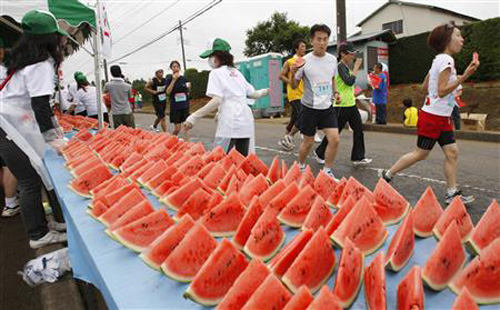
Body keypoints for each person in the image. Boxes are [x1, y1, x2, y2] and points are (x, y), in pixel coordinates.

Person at [379, 21, 480, 205]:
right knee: (420, 154)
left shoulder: (438, 59)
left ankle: (452, 193)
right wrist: (465, 76)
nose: (462, 39)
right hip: (433, 117)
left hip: (441, 116)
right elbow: (441, 91)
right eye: (458, 35)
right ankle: (387, 174)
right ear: (447, 40)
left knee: (452, 152)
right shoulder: (446, 60)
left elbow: (427, 86)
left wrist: (453, 83)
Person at [0, 10, 67, 248]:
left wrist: (52, 129)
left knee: (32, 178)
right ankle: (38, 235)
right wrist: (53, 137)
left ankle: (50, 224)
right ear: (49, 38)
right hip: (12, 130)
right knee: (29, 182)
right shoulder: (40, 64)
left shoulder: (22, 61)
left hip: (9, 127)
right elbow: (40, 104)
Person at [183, 38, 269, 156]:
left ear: (217, 58)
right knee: (242, 162)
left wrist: (193, 117)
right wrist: (267, 90)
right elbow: (255, 94)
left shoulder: (215, 73)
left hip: (229, 121)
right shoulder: (237, 73)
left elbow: (217, 99)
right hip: (245, 121)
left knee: (219, 160)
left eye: (210, 57)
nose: (209, 60)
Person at [289, 24, 340, 179]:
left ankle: (327, 171)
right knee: (308, 143)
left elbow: (332, 79)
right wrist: (292, 74)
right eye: (318, 39)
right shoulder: (304, 61)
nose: (322, 43)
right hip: (309, 108)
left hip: (327, 107)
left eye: (325, 39)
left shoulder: (332, 60)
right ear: (312, 40)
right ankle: (301, 166)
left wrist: (336, 92)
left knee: (335, 139)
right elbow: (294, 85)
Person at [314, 41, 372, 167]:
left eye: (353, 54)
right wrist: (356, 68)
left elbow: (349, 86)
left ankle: (358, 157)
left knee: (358, 130)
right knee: (335, 132)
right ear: (343, 54)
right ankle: (320, 152)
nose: (353, 56)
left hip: (350, 104)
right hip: (341, 106)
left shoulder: (345, 67)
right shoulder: (339, 66)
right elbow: (349, 82)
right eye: (350, 54)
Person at [278, 39, 307, 151]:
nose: (304, 49)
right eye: (302, 46)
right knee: (302, 115)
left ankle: (286, 138)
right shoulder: (289, 62)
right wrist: (290, 81)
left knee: (294, 117)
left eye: (305, 46)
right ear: (296, 49)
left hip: (304, 93)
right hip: (294, 93)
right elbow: (281, 75)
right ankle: (288, 138)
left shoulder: (306, 61)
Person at [166, 60, 191, 137]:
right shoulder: (169, 79)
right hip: (175, 107)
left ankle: (187, 144)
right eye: (174, 67)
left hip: (184, 105)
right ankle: (170, 141)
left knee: (186, 127)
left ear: (179, 68)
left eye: (177, 66)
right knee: (177, 128)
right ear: (171, 68)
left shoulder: (184, 79)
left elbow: (188, 91)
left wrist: (189, 88)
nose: (176, 68)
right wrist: (174, 80)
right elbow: (168, 92)